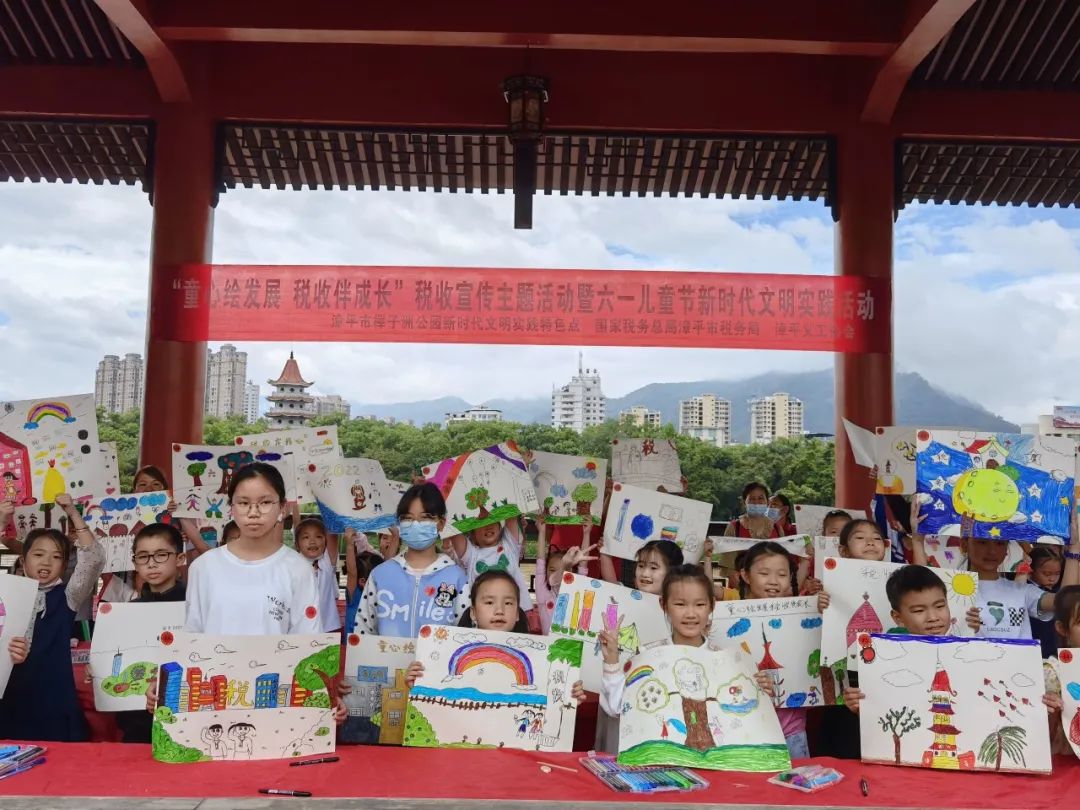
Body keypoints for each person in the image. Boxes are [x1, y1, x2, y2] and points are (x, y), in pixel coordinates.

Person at [598, 566, 775, 746]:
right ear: (663, 604)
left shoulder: (727, 661)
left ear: (712, 605)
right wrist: (611, 660)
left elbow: (742, 717)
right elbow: (616, 707)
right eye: (680, 604)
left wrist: (759, 691)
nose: (690, 614)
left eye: (699, 604)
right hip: (661, 760)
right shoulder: (647, 656)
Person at [0, 494, 105, 741]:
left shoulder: (68, 595)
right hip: (10, 698)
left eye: (57, 557)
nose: (47, 562)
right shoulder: (5, 592)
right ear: (23, 558)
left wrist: (73, 512)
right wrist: (2, 521)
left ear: (64, 564)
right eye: (38, 554)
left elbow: (94, 559)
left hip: (54, 700)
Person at [184, 463, 323, 635]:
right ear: (231, 507)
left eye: (265, 502)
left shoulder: (299, 569)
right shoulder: (203, 567)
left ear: (282, 507)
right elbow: (193, 635)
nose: (253, 513)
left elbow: (307, 639)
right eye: (243, 503)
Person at [404, 570, 587, 702]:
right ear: (473, 613)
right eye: (489, 602)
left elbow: (552, 704)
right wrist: (420, 683)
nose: (499, 610)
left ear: (517, 613)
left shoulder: (539, 661)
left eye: (508, 603)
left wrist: (568, 697)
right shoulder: (446, 657)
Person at [911, 502, 1080, 641]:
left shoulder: (1022, 591)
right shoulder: (948, 588)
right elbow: (920, 593)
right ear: (964, 544)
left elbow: (1066, 601)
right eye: (982, 542)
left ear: (1007, 549)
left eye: (1000, 543)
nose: (992, 551)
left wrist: (1074, 549)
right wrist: (917, 541)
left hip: (1020, 670)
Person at [355, 483, 469, 636]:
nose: (415, 524)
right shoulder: (380, 575)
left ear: (441, 524)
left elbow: (466, 635)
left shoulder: (457, 578)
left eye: (425, 518)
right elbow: (363, 632)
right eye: (407, 518)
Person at [735, 542, 808, 758]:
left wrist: (825, 610)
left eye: (782, 574)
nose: (774, 581)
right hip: (744, 731)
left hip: (792, 730)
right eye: (764, 573)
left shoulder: (802, 616)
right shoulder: (725, 619)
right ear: (745, 575)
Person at [116, 522, 187, 744]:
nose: (152, 563)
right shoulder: (127, 612)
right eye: (143, 556)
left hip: (183, 715)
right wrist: (98, 667)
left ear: (180, 558)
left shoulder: (195, 606)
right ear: (135, 563)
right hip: (137, 719)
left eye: (161, 555)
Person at [449, 518, 533, 611]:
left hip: (516, 611)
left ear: (500, 528)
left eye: (492, 520)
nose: (488, 526)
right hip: (485, 614)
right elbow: (453, 526)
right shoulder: (471, 555)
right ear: (473, 534)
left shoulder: (509, 545)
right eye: (481, 522)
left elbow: (511, 515)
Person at [534, 513, 596, 634]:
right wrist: (541, 532)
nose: (559, 574)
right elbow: (540, 563)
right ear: (546, 573)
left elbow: (582, 565)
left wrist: (587, 533)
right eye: (552, 570)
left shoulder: (576, 592)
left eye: (565, 570)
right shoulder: (543, 594)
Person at [808, 519, 890, 603]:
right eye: (860, 537)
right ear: (844, 551)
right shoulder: (834, 582)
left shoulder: (894, 580)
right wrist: (822, 603)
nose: (870, 542)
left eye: (877, 538)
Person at [1043, 585, 1080, 754]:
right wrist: (1053, 714)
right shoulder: (1052, 672)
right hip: (1066, 763)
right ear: (1062, 629)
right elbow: (1040, 740)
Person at [294, 517, 342, 633]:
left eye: (318, 536)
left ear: (325, 542)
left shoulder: (327, 563)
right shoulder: (293, 565)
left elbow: (333, 533)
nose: (312, 541)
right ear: (297, 544)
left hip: (327, 628)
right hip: (299, 629)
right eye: (306, 537)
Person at [342, 527, 383, 635]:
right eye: (377, 580)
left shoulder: (380, 595)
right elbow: (352, 572)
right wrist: (350, 545)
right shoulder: (355, 594)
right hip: (353, 644)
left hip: (372, 643)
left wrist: (395, 538)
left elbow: (387, 565)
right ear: (362, 581)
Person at [1027, 546, 1064, 657]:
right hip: (1032, 649)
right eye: (1047, 574)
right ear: (1031, 570)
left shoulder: (1055, 591)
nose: (1052, 579)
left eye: (1057, 574)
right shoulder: (1025, 590)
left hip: (1051, 650)